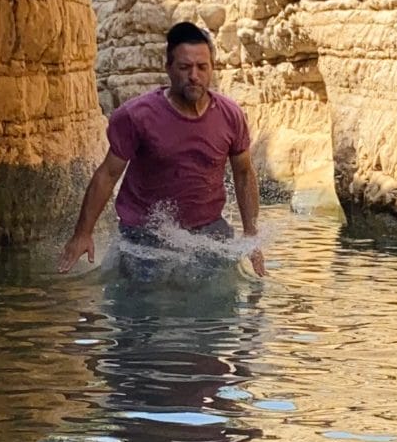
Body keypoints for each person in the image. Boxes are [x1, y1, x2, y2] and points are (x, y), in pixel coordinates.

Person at [60, 22, 265, 275]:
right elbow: (108, 174)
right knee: (150, 305)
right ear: (168, 68)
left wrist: (251, 237)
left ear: (212, 68)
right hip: (145, 233)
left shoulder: (230, 115)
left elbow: (244, 173)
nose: (194, 75)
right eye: (184, 67)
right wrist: (83, 233)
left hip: (208, 230)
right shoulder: (136, 115)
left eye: (202, 67)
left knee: (221, 305)